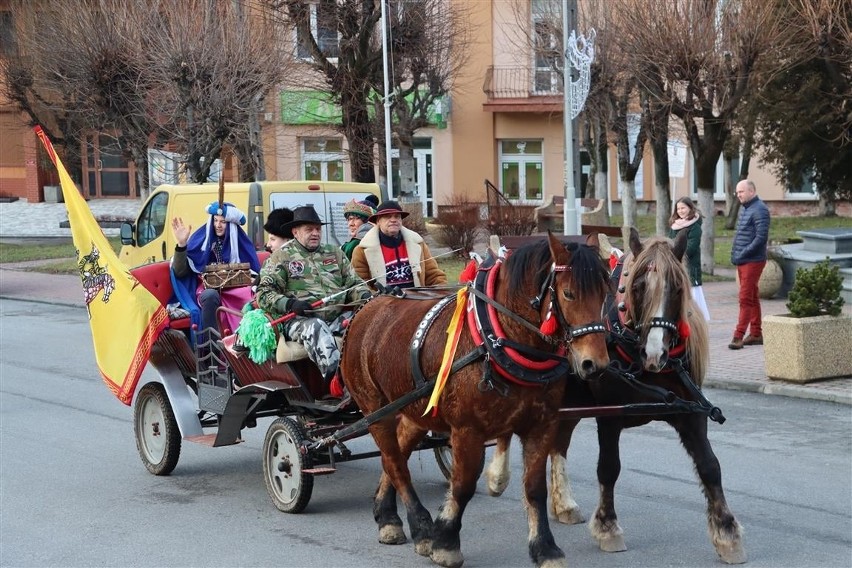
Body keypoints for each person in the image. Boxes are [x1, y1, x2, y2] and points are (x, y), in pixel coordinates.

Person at [255, 205, 371, 383]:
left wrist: (365, 296)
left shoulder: (335, 253)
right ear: (295, 232)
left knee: (367, 319)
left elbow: (354, 284)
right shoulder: (281, 257)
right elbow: (263, 294)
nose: (315, 233)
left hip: (336, 316)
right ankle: (339, 383)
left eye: (318, 229)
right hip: (299, 320)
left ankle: (372, 377)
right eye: (309, 229)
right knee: (316, 327)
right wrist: (290, 304)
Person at [171, 202, 260, 339]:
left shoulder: (241, 242)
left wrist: (253, 281)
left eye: (223, 222)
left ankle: (247, 342)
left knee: (252, 295)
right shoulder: (202, 240)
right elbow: (179, 271)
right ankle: (211, 348)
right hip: (207, 288)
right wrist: (182, 244)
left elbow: (254, 272)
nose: (218, 225)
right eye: (215, 220)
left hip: (236, 289)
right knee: (210, 295)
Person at [351, 200, 447, 289]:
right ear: (378, 221)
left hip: (417, 301)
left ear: (401, 220)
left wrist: (442, 290)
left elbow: (434, 275)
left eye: (397, 216)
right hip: (382, 304)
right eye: (388, 216)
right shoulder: (361, 251)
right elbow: (360, 285)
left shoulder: (417, 243)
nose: (393, 220)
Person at [729, 179, 771, 350]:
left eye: (741, 192)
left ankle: (738, 336)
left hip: (753, 261)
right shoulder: (747, 209)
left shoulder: (760, 209)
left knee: (745, 298)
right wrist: (736, 254)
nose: (738, 195)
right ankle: (755, 334)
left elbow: (760, 239)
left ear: (751, 191)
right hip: (743, 259)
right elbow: (741, 235)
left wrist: (742, 253)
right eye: (737, 192)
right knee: (752, 297)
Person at [668, 197, 710, 320]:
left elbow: (692, 246)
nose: (680, 211)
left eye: (683, 208)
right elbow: (669, 242)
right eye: (678, 208)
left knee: (693, 294)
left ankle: (697, 319)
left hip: (690, 265)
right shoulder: (674, 226)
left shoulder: (695, 226)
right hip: (674, 263)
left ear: (690, 208)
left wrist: (677, 256)